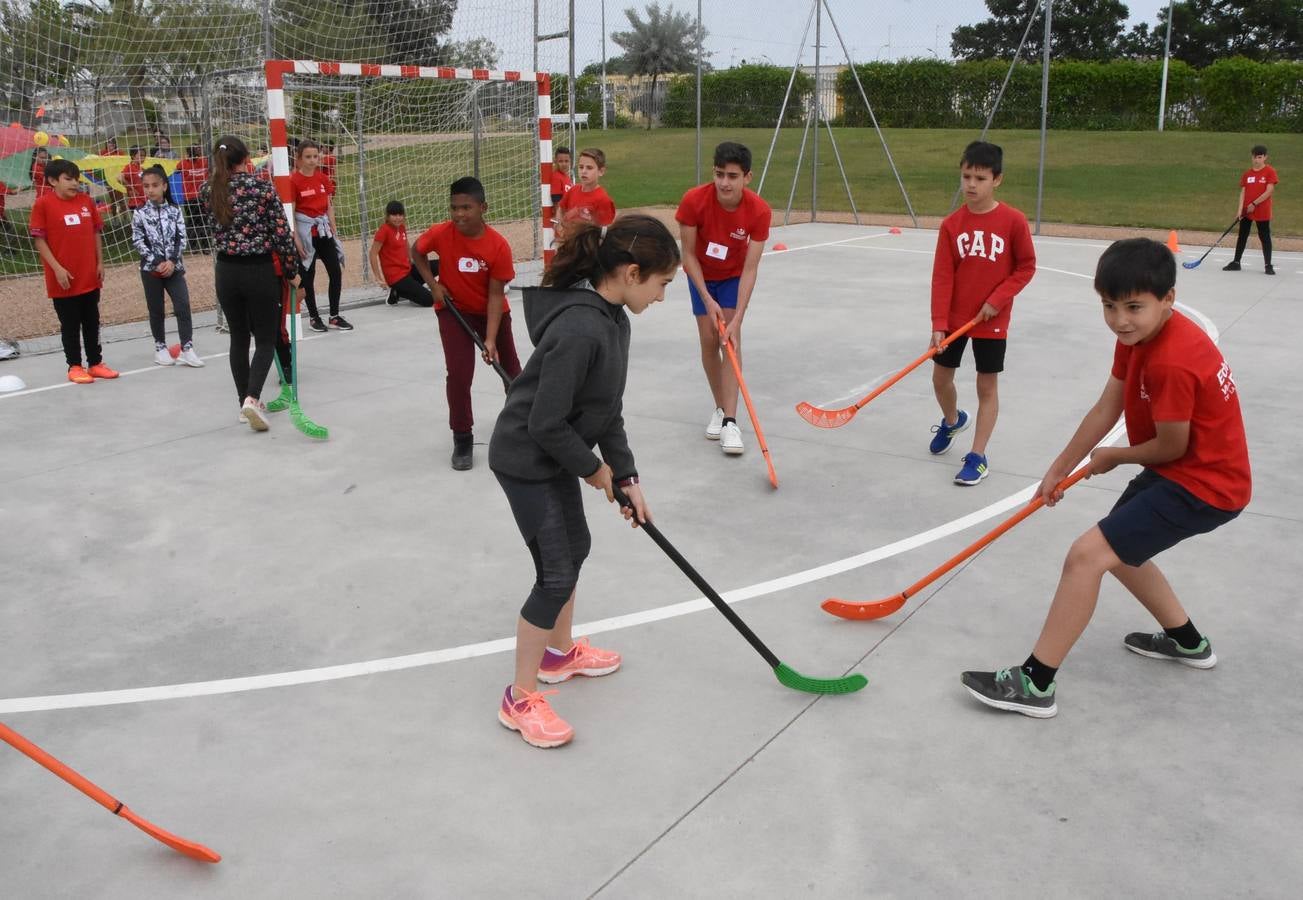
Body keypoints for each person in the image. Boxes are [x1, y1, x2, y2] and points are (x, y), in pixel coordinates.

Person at [962, 238, 1251, 719]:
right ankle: (1187, 642)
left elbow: (1172, 444)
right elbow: (1107, 405)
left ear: (1169, 300)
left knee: (1086, 556)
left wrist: (1115, 456)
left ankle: (1035, 684)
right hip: (1180, 472)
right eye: (1110, 306)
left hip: (1204, 486)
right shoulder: (1138, 339)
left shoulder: (1174, 360)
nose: (1120, 319)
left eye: (1134, 307)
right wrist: (1059, 466)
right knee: (1119, 553)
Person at [489, 214, 680, 748]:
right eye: (663, 284)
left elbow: (606, 411)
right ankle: (520, 696)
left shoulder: (614, 320)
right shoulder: (580, 329)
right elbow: (544, 423)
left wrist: (628, 475)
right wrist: (598, 474)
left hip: (553, 454)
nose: (663, 296)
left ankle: (559, 653)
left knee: (577, 548)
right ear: (632, 272)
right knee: (555, 572)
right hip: (526, 459)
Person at [927, 140, 1036, 485]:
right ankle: (952, 420)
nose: (971, 184)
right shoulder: (951, 225)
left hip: (992, 319)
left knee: (986, 386)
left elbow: (1026, 266)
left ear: (997, 180)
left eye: (980, 178)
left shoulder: (1013, 221)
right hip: (956, 320)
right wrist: (939, 323)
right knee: (940, 379)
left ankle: (977, 456)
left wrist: (998, 299)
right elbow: (942, 277)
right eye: (966, 176)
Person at [411, 176, 523, 470]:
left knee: (512, 372)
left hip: (492, 311)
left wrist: (489, 339)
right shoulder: (441, 233)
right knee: (459, 374)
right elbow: (417, 251)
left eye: (466, 207)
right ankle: (462, 437)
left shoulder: (498, 246)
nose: (459, 214)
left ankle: (522, 427)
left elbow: (496, 296)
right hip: (453, 311)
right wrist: (432, 285)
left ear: (483, 207)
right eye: (454, 208)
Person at [675, 140, 771, 456]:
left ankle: (730, 422)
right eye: (719, 174)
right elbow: (687, 256)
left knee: (729, 342)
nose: (724, 183)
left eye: (732, 176)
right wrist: (706, 297)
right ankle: (719, 407)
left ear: (747, 177)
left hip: (732, 276)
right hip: (701, 274)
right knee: (708, 340)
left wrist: (738, 317)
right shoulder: (693, 201)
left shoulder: (759, 211)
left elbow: (750, 269)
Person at [202, 135, 300, 431]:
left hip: (226, 271)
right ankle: (252, 398)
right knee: (266, 339)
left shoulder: (209, 189)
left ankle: (242, 402)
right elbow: (280, 232)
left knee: (239, 338)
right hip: (257, 270)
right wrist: (292, 269)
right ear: (246, 159)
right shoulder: (260, 187)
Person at [28, 159, 117, 384]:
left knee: (92, 320)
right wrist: (57, 268)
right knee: (70, 323)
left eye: (76, 178)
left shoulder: (86, 201)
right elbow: (39, 240)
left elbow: (96, 232)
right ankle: (75, 366)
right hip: (64, 278)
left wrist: (100, 262)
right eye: (68, 179)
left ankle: (95, 363)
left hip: (89, 274)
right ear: (52, 181)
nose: (74, 183)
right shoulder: (43, 205)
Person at [132, 165, 202, 368]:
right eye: (146, 186)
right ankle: (160, 347)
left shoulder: (174, 210)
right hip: (151, 270)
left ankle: (187, 348)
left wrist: (171, 261)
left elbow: (182, 237)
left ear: (164, 186)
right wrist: (156, 262)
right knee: (156, 309)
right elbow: (138, 241)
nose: (150, 190)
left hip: (174, 268)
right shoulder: (140, 213)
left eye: (154, 185)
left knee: (183, 305)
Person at [291, 139, 350, 332]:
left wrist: (333, 229)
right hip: (307, 234)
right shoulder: (294, 181)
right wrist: (296, 238)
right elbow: (291, 212)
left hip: (324, 232)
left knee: (335, 271)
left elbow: (329, 206)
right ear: (299, 158)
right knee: (308, 277)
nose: (312, 160)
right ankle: (314, 317)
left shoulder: (323, 178)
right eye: (307, 157)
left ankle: (334, 315)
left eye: (315, 156)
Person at [1223, 144, 1278, 276]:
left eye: (1259, 157)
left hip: (1262, 210)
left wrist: (1255, 203)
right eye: (1254, 157)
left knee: (1264, 236)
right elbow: (1243, 192)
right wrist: (1240, 210)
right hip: (1247, 210)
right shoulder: (1247, 174)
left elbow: (1269, 190)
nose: (1256, 160)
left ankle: (1268, 265)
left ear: (1265, 157)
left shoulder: (1269, 171)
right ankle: (1236, 262)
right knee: (1242, 235)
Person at [369, 200, 433, 307]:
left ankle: (412, 289)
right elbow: (373, 253)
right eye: (394, 215)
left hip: (407, 271)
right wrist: (378, 277)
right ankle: (397, 291)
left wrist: (413, 261)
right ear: (388, 216)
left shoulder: (401, 227)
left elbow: (406, 245)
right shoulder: (384, 231)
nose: (398, 217)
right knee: (430, 300)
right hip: (396, 277)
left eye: (400, 214)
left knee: (439, 265)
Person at [553, 147, 615, 241]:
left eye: (589, 168)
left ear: (601, 171)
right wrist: (558, 223)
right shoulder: (573, 190)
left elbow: (606, 233)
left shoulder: (603, 200)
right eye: (581, 167)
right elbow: (561, 207)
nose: (584, 171)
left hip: (587, 250)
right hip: (568, 244)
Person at [176, 145, 209, 250]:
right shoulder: (186, 163)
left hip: (198, 197)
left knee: (195, 221)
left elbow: (176, 169)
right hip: (193, 197)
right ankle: (203, 247)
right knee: (199, 221)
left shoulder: (186, 162)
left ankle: (196, 247)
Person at [120, 146, 147, 213]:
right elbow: (119, 178)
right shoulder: (129, 167)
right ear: (133, 156)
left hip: (144, 200)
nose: (143, 158)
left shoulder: (142, 169)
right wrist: (132, 189)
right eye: (140, 155)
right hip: (136, 202)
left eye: (144, 156)